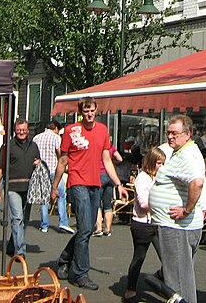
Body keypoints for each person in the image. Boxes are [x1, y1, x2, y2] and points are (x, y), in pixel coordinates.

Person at [52, 97, 128, 291]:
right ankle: (80, 273)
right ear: (81, 111)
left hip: (96, 183)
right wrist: (54, 186)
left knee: (87, 228)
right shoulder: (71, 131)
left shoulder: (102, 130)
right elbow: (62, 161)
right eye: (86, 110)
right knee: (86, 228)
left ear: (96, 111)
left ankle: (65, 259)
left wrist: (118, 184)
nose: (89, 114)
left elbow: (107, 160)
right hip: (77, 182)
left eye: (92, 110)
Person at [149, 114, 206, 303]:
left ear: (187, 134)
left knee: (178, 282)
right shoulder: (184, 152)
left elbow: (198, 182)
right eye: (168, 133)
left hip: (178, 227)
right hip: (179, 226)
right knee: (181, 276)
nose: (170, 137)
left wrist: (186, 209)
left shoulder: (186, 154)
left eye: (174, 133)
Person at [0, 118, 41, 258]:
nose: (22, 132)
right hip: (13, 187)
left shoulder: (33, 146)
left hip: (29, 188)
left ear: (28, 130)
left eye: (24, 130)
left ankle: (12, 245)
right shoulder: (8, 146)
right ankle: (20, 251)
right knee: (17, 218)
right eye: (19, 130)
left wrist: (38, 162)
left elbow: (37, 162)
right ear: (15, 130)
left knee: (24, 220)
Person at [124, 147, 166, 303]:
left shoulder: (159, 178)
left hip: (157, 222)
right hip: (142, 224)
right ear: (152, 162)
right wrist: (162, 204)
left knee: (167, 258)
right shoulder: (143, 178)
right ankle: (130, 289)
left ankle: (158, 280)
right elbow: (143, 204)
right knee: (139, 257)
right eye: (159, 163)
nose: (161, 167)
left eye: (163, 163)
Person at [33, 121, 73, 234]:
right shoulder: (56, 138)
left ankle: (44, 225)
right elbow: (60, 154)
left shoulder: (36, 138)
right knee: (60, 195)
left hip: (41, 171)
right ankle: (63, 222)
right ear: (55, 128)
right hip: (54, 170)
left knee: (44, 198)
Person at [95, 143, 123, 237]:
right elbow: (120, 159)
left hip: (99, 174)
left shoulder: (97, 146)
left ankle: (98, 228)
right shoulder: (110, 147)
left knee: (97, 203)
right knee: (108, 204)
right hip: (110, 176)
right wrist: (112, 160)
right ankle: (107, 228)